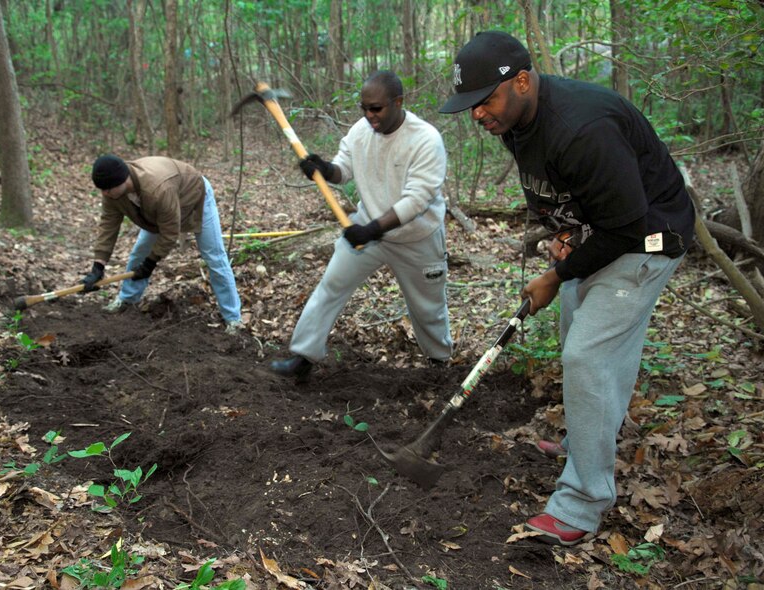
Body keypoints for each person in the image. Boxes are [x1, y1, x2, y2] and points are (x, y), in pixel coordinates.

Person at [440, 31, 695, 545]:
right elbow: (553, 191)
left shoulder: (583, 128)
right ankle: (587, 439)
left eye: (485, 101)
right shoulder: (515, 122)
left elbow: (626, 226)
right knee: (578, 334)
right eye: (470, 106)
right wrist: (562, 237)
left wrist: (557, 276)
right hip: (603, 231)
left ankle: (581, 502)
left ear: (524, 82)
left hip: (648, 238)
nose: (477, 116)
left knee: (588, 354)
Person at [270, 70, 453, 381]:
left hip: (416, 237)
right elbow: (344, 168)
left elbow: (416, 200)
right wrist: (324, 168)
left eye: (376, 108)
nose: (369, 116)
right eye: (364, 108)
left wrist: (371, 229)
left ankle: (439, 366)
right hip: (368, 230)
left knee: (427, 308)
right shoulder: (360, 131)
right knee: (331, 286)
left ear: (398, 102)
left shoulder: (425, 140)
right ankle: (303, 357)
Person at [81, 154, 243, 332]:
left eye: (107, 189)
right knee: (139, 252)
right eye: (101, 189)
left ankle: (233, 318)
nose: (104, 193)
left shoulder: (158, 189)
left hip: (196, 197)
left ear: (122, 180)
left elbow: (169, 232)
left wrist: (150, 263)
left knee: (214, 257)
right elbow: (108, 226)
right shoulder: (112, 193)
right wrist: (98, 266)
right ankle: (127, 299)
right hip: (156, 210)